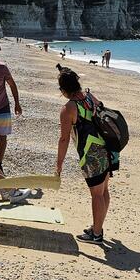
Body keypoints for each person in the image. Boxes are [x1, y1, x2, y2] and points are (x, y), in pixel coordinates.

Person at [55, 67, 118, 243]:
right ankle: (97, 227)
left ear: (63, 90)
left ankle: (96, 234)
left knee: (96, 194)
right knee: (104, 191)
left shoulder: (68, 108)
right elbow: (102, 111)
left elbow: (64, 139)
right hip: (106, 148)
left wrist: (59, 164)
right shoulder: (90, 97)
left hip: (91, 154)